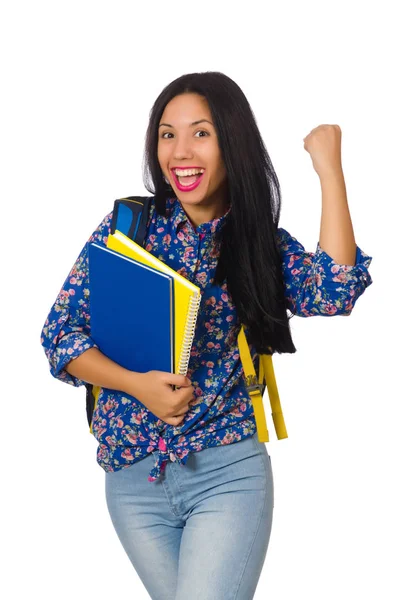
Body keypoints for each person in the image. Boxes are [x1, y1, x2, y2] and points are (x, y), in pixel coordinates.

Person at [40, 71, 373, 600]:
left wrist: (329, 171)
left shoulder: (257, 242)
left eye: (200, 132)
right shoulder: (128, 228)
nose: (180, 151)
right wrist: (134, 384)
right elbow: (61, 334)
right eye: (167, 134)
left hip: (226, 472)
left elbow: (333, 291)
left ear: (231, 142)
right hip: (131, 479)